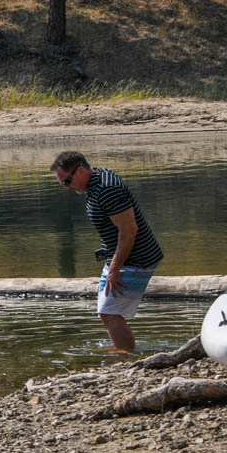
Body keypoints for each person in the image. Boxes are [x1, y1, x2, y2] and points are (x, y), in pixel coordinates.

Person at [50, 151, 163, 352]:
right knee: (107, 312)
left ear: (81, 170)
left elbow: (129, 229)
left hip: (136, 258)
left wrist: (115, 268)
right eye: (62, 184)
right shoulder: (97, 180)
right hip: (120, 257)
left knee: (109, 313)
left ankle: (126, 357)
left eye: (67, 181)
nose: (67, 188)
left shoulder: (106, 189)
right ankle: (125, 351)